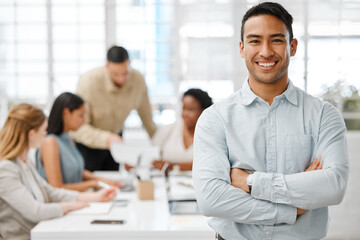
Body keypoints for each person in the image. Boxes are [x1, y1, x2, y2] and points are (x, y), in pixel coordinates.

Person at [192, 2, 349, 240]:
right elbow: (211, 199)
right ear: (242, 48)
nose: (265, 52)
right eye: (255, 41)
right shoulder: (215, 119)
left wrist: (251, 182)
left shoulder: (324, 116)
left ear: (292, 46)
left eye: (276, 40)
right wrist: (291, 209)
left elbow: (333, 186)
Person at [0, 104, 117, 240]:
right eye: (43, 130)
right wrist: (69, 206)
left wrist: (94, 198)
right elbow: (35, 211)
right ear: (31, 134)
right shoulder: (6, 169)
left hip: (40, 232)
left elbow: (50, 192)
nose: (45, 135)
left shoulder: (24, 163)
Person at [71, 46, 157, 171]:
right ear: (107, 66)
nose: (121, 79)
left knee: (114, 183)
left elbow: (148, 121)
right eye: (115, 74)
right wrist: (107, 139)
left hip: (116, 142)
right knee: (92, 185)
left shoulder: (138, 81)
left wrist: (161, 145)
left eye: (125, 73)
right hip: (89, 144)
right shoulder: (88, 83)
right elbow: (78, 128)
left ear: (129, 64)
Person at [36, 92, 123, 192]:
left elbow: (77, 171)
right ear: (66, 113)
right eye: (80, 116)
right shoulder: (50, 142)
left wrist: (104, 180)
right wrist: (95, 184)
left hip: (76, 199)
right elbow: (56, 189)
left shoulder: (68, 139)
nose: (84, 121)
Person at [151, 88, 212, 171]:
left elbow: (209, 165)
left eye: (191, 109)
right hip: (166, 181)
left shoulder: (211, 136)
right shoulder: (168, 129)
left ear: (204, 111)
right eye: (184, 108)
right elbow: (152, 159)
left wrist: (174, 165)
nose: (185, 114)